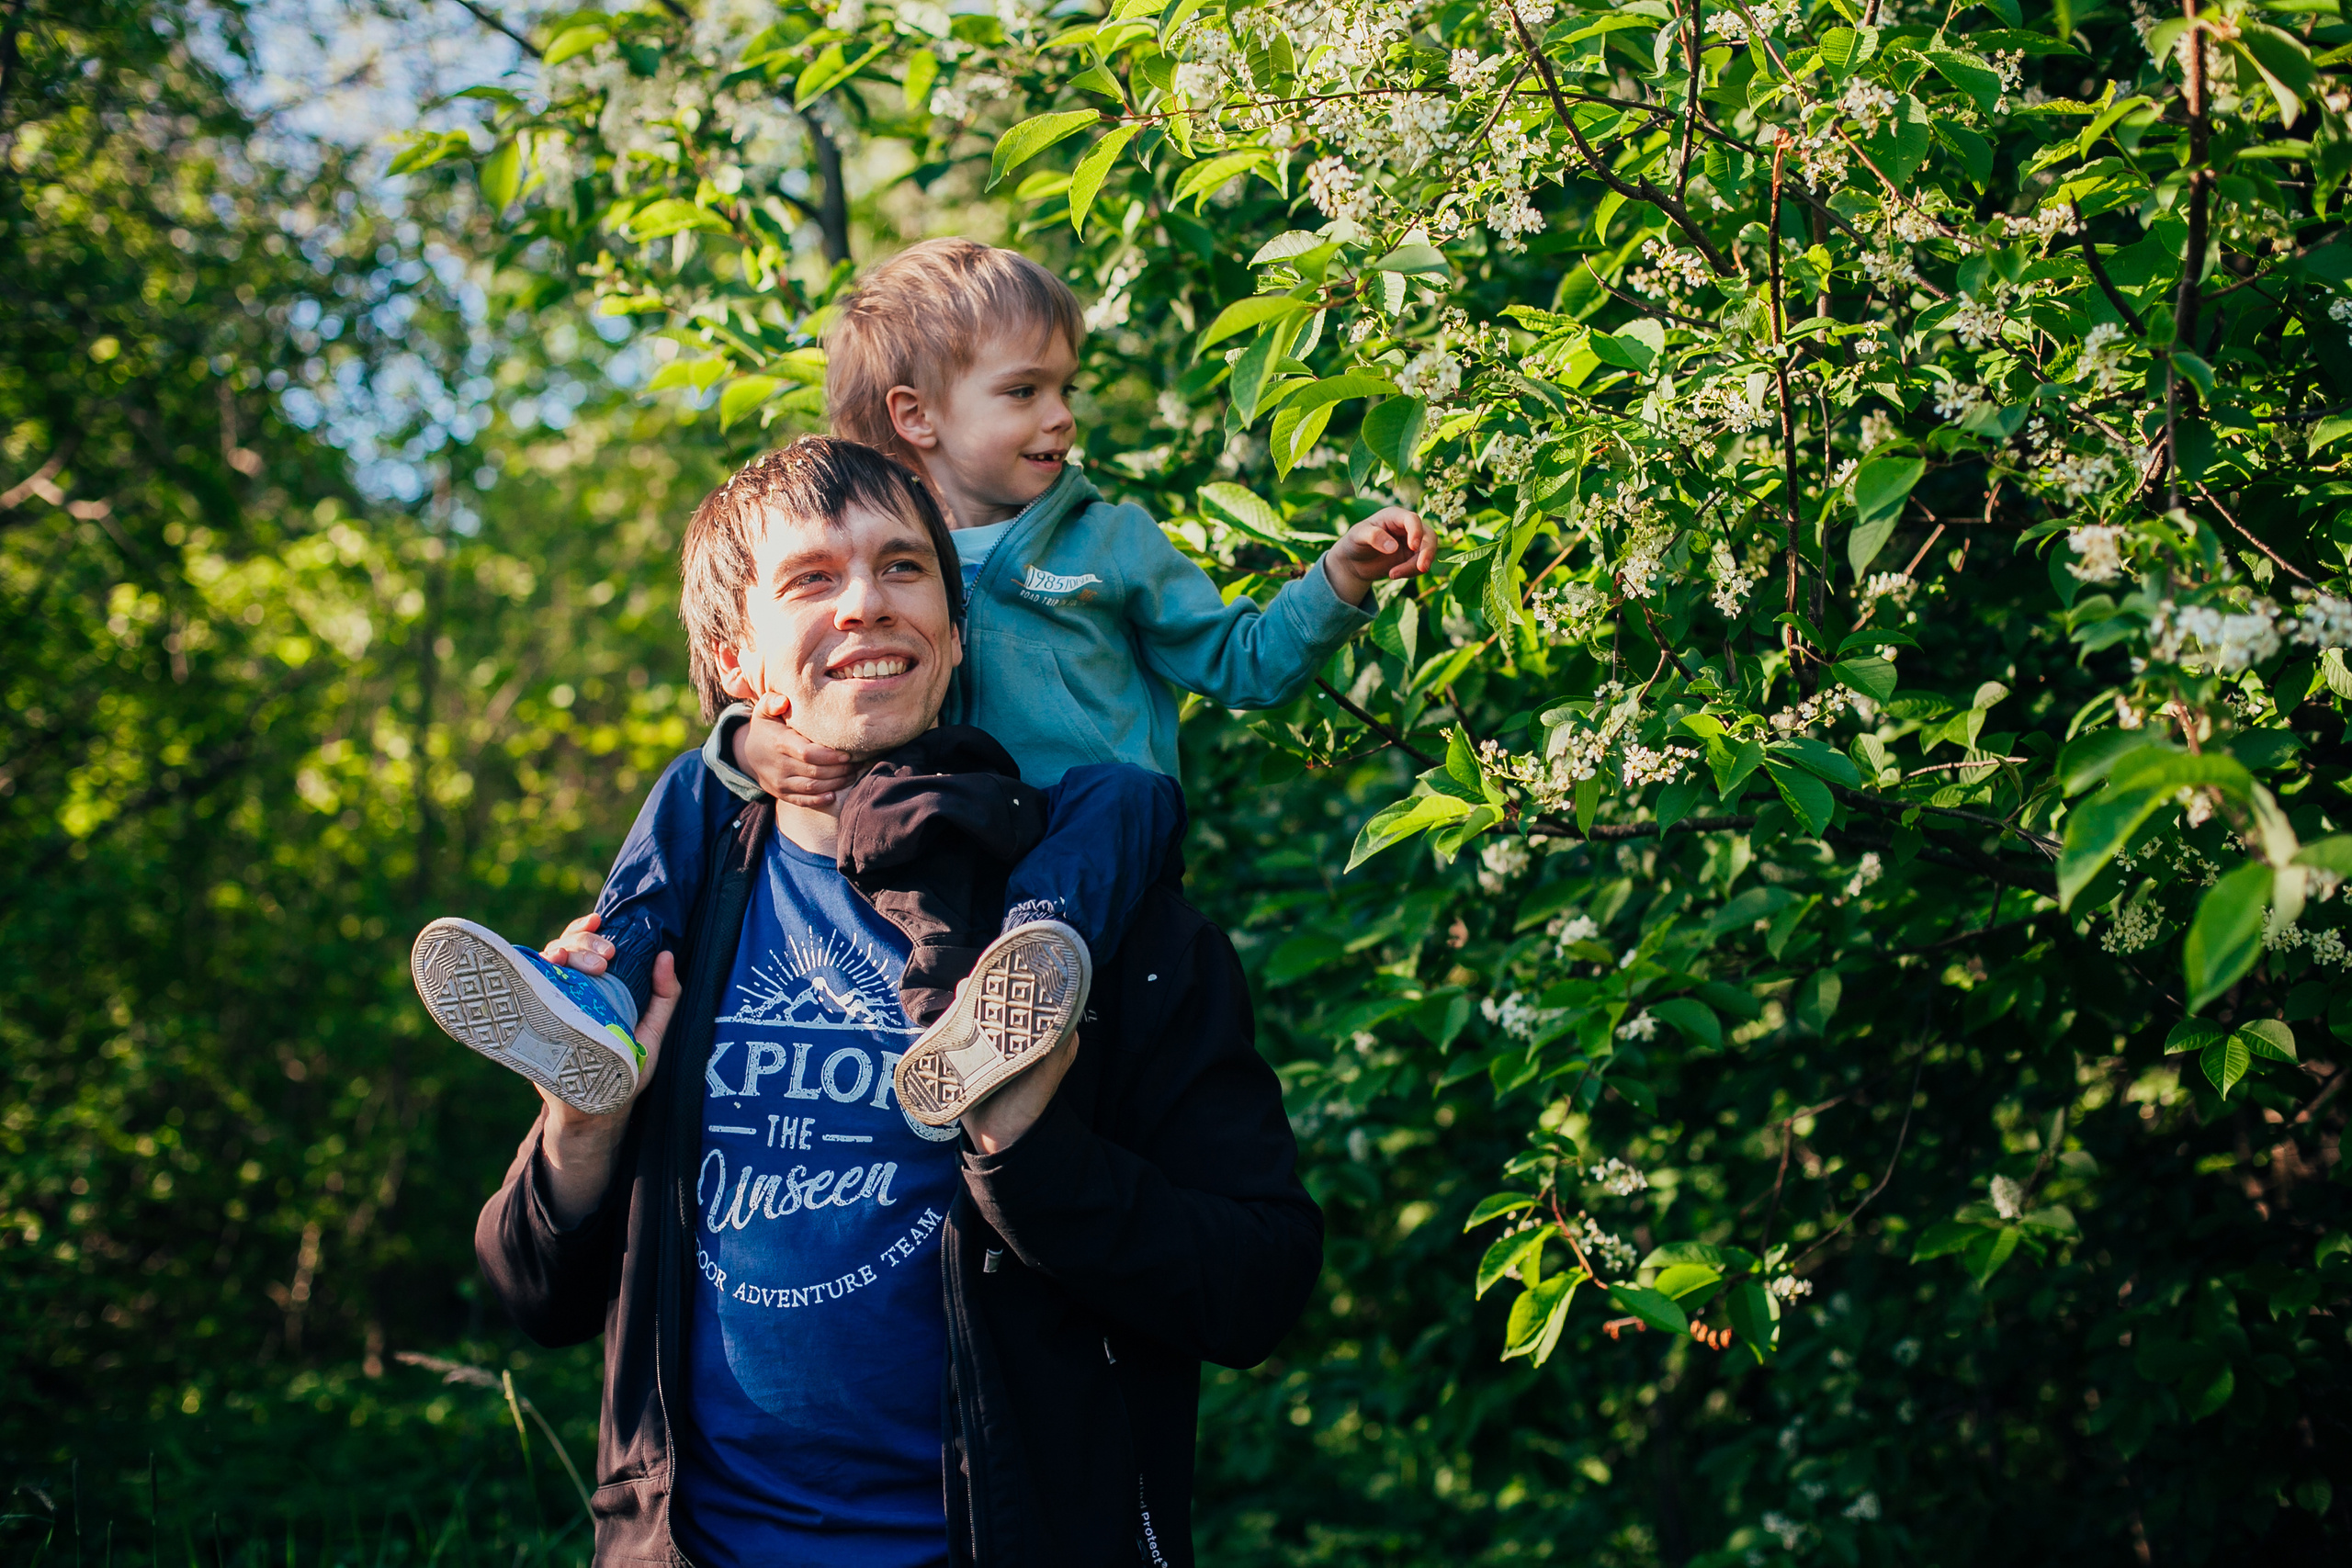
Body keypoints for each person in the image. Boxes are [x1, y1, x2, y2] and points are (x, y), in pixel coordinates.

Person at [474, 438, 1321, 1567]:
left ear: (956, 632)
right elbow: (535, 1291)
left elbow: (1255, 1288)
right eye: (812, 579)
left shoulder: (1105, 934)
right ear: (739, 661)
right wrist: (582, 1127)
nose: (867, 604)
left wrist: (1024, 1147)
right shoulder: (686, 911)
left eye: (903, 568)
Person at [412, 237, 1432, 1125]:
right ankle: (602, 992)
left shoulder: (1111, 541)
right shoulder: (884, 550)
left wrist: (1334, 583)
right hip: (921, 827)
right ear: (918, 415)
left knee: (1131, 795)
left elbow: (1240, 663)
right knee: (693, 783)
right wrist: (744, 743)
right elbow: (797, 673)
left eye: (1065, 389)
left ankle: (1014, 992)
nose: (1062, 417)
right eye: (1024, 391)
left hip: (1074, 843)